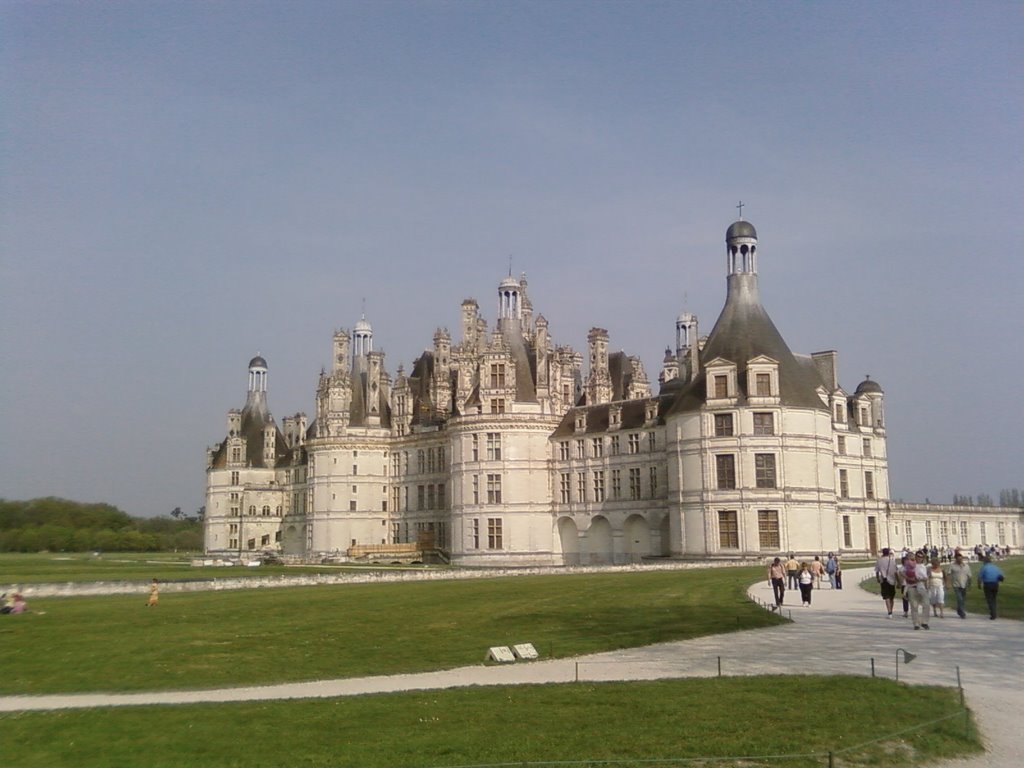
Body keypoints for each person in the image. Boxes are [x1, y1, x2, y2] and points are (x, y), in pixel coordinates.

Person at [904, 551, 929, 630]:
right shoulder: (910, 565)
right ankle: (916, 623)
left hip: (921, 586)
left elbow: (925, 577)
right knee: (914, 606)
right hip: (912, 586)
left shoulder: (923, 566)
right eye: (918, 556)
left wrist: (926, 583)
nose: (919, 558)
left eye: (921, 557)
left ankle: (924, 622)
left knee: (926, 604)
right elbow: (901, 573)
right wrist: (910, 579)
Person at [977, 556, 1005, 620]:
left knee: (989, 599)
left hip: (987, 584)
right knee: (994, 598)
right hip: (995, 584)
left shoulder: (984, 568)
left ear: (985, 562)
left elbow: (980, 577)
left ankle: (993, 613)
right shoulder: (996, 567)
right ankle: (994, 611)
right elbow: (1001, 576)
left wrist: (979, 585)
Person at [875, 547, 899, 618]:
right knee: (891, 597)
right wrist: (898, 581)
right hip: (892, 580)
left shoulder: (879, 561)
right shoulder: (892, 561)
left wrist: (878, 578)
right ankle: (891, 610)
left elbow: (877, 571)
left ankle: (889, 612)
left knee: (887, 596)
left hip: (884, 580)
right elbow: (896, 572)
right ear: (888, 553)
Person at [947, 551, 972, 619]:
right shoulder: (952, 565)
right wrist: (948, 584)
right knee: (960, 599)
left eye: (961, 559)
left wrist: (969, 585)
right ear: (956, 559)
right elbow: (948, 574)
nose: (960, 560)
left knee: (963, 599)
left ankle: (959, 610)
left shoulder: (966, 566)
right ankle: (962, 613)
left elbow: (969, 576)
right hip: (956, 585)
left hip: (964, 584)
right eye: (958, 559)